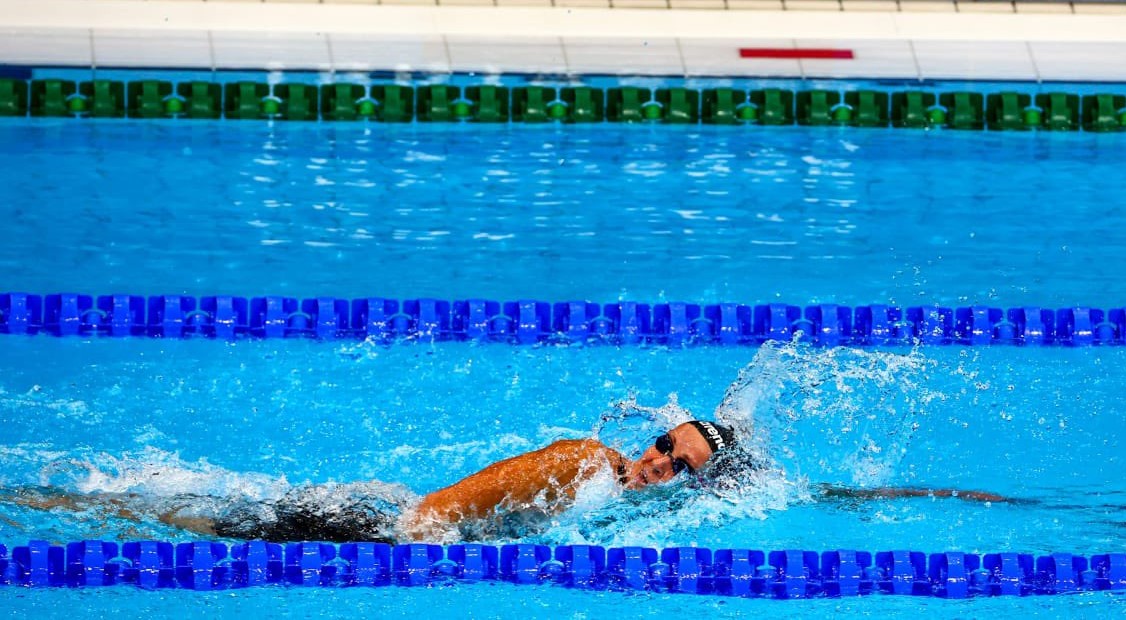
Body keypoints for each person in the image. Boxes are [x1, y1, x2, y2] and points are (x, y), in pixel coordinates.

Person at [11, 419, 1009, 543]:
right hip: (378, 529)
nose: (658, 461)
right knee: (176, 522)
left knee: (185, 514)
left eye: (680, 465)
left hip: (379, 521)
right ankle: (35, 501)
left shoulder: (622, 496)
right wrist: (418, 543)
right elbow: (441, 514)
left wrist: (947, 497)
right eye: (663, 444)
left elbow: (818, 498)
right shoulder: (585, 463)